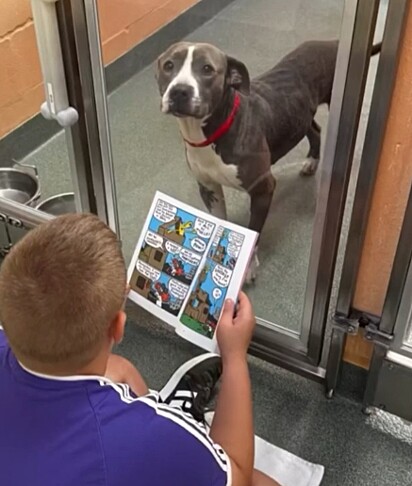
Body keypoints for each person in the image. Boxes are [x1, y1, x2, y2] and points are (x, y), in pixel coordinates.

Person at [0, 213, 280, 486]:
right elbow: (239, 475)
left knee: (119, 368)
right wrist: (234, 357)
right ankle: (171, 425)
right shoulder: (139, 441)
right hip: (130, 447)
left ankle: (161, 411)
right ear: (118, 327)